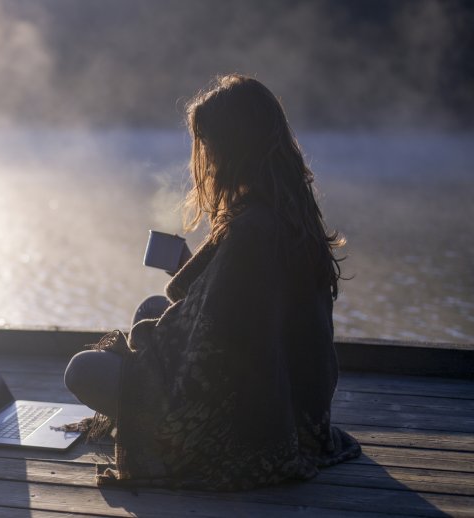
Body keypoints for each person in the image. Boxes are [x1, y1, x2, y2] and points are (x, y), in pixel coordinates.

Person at [63, 74, 361, 490]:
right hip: (299, 402)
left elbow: (212, 350)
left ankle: (144, 430)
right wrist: (191, 278)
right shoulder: (287, 209)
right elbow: (229, 304)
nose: (205, 156)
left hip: (252, 420)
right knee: (151, 309)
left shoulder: (251, 230)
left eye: (208, 143)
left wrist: (143, 357)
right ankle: (132, 414)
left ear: (233, 146)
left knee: (82, 370)